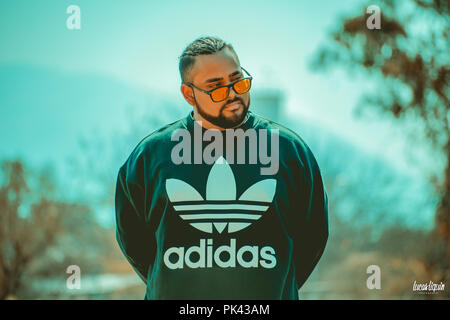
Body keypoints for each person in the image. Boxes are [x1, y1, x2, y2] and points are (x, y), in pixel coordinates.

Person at [115, 36, 329, 299]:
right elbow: (136, 244)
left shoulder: (289, 152)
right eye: (216, 88)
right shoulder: (150, 157)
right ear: (189, 94)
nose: (233, 94)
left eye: (238, 80)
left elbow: (312, 239)